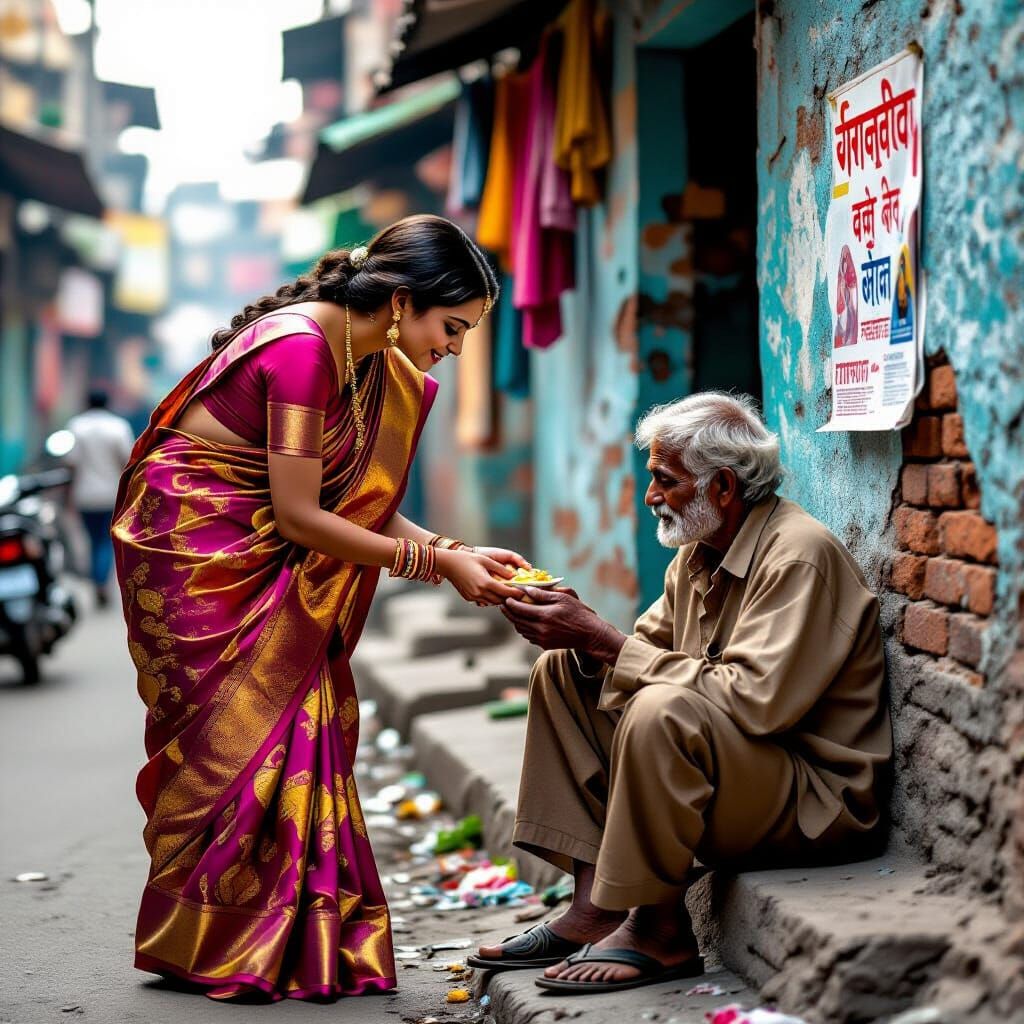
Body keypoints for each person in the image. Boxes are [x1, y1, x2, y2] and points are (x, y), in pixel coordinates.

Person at [110, 215, 529, 1002]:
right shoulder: (303, 349)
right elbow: (303, 517)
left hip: (263, 550)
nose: (456, 348)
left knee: (307, 724)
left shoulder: (369, 360)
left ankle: (291, 937)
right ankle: (219, 937)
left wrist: (454, 549)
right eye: (454, 327)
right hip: (201, 559)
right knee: (242, 745)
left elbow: (354, 507)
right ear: (401, 302)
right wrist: (438, 565)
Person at [470, 392, 892, 994]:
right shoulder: (696, 557)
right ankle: (596, 904)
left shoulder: (798, 556)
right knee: (565, 672)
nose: (650, 497)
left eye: (665, 481)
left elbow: (754, 704)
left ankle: (659, 930)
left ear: (722, 487)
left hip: (816, 801)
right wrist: (581, 637)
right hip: (741, 770)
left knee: (659, 707)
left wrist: (605, 641)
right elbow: (636, 656)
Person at [65, 389, 135, 608]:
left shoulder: (76, 426)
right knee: (105, 541)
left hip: (84, 495)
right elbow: (128, 461)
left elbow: (70, 463)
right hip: (111, 495)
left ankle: (97, 581)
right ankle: (101, 582)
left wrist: (67, 495)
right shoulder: (118, 426)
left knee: (93, 540)